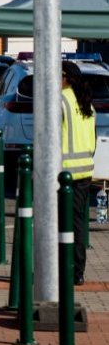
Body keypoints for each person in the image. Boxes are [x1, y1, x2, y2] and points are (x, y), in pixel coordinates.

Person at [60, 60, 96, 286]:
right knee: (78, 224)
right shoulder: (87, 104)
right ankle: (77, 270)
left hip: (64, 173)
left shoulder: (60, 101)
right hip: (84, 172)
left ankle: (68, 271)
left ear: (65, 77)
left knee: (62, 225)